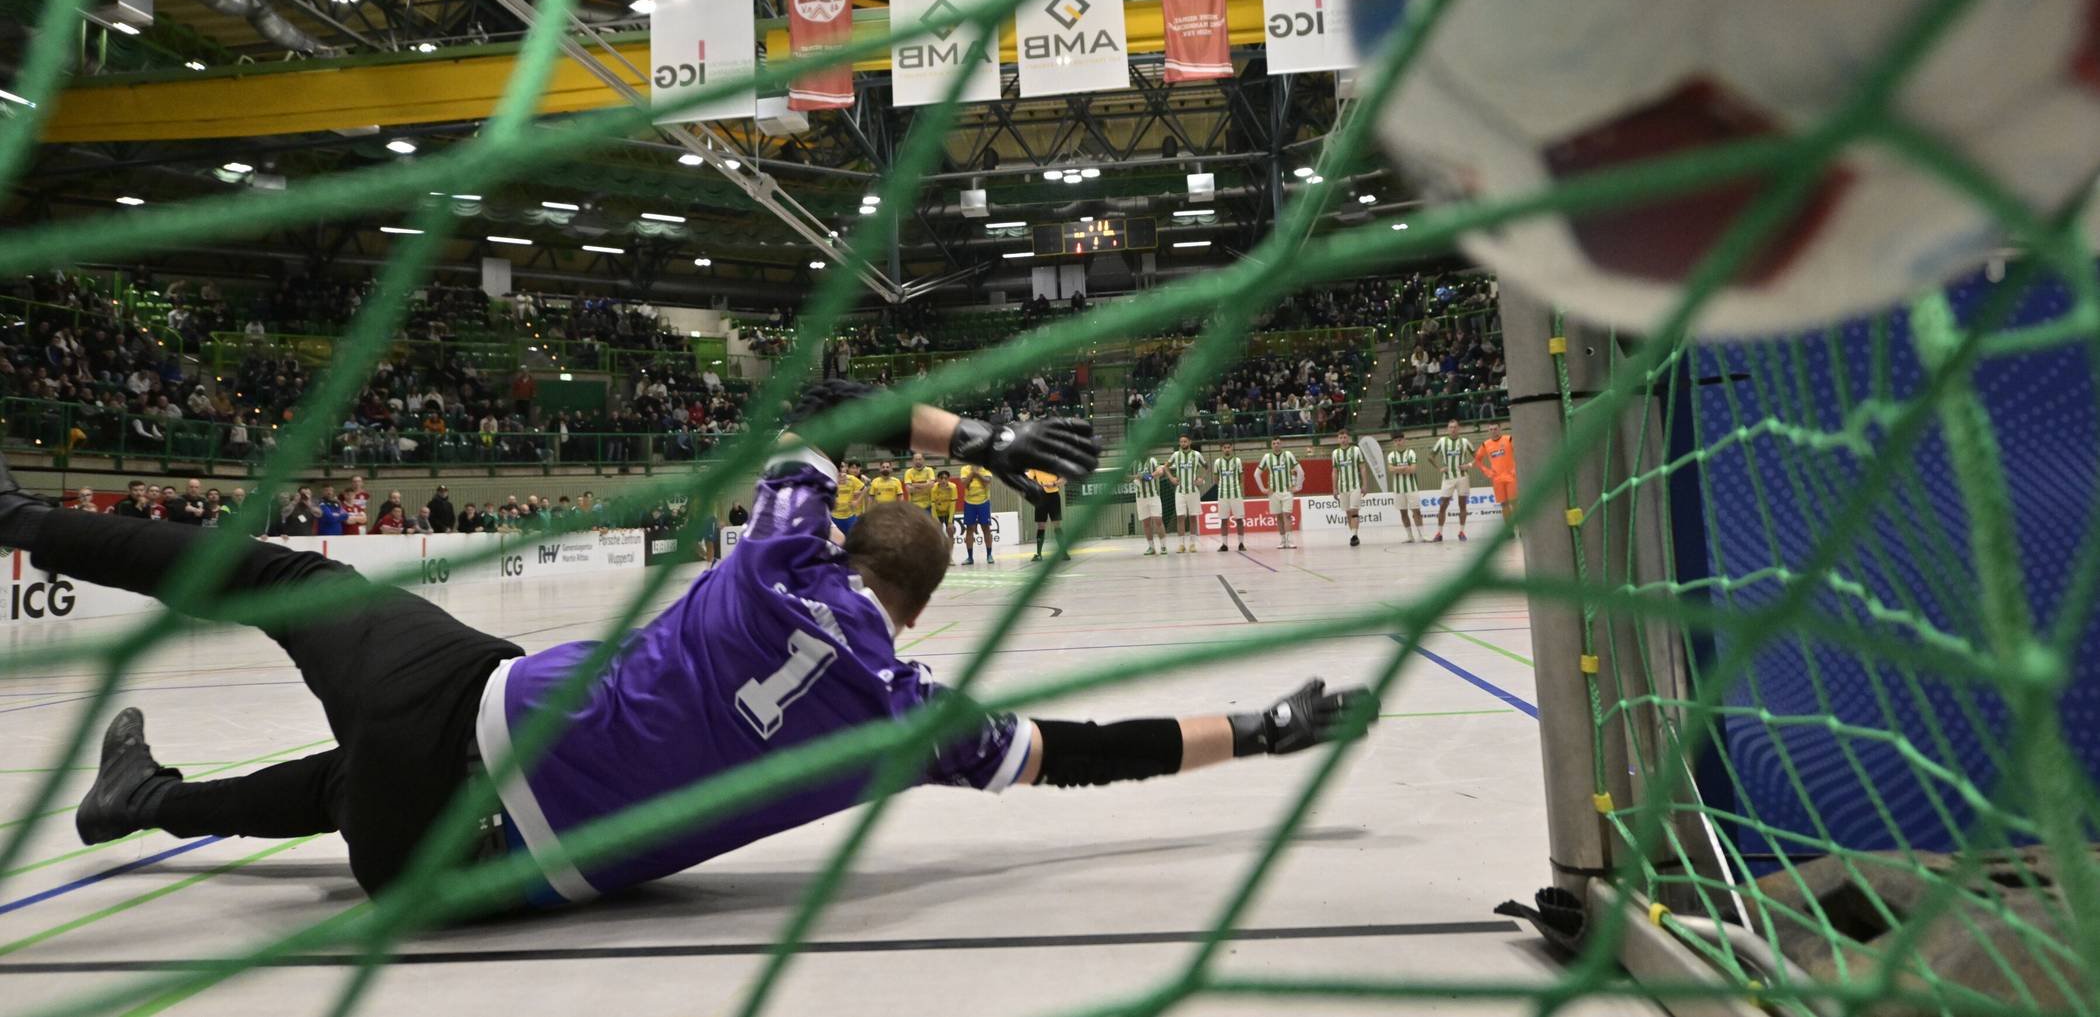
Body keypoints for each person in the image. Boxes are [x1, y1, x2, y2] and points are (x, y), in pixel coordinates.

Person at [0, 394, 1372, 906]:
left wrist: (987, 440)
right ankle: (154, 802)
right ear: (924, 606)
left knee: (280, 575)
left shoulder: (780, 549)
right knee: (348, 788)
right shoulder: (916, 715)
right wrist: (1254, 730)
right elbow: (1084, 755)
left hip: (465, 723)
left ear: (846, 542)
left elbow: (843, 402)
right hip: (464, 874)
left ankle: (19, 518)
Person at [1431, 419, 1476, 543]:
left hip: (1463, 477)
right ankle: (1439, 533)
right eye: (1450, 427)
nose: (1453, 429)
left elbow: (1478, 456)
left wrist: (1469, 465)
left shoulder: (1465, 442)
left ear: (1459, 428)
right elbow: (1430, 456)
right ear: (1447, 429)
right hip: (1448, 478)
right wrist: (1439, 468)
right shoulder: (1442, 441)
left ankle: (1461, 532)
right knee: (1443, 506)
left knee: (1463, 505)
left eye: (1455, 427)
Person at [1254, 437, 1301, 551]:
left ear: (1281, 444)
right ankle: (1282, 540)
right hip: (1273, 493)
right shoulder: (1267, 457)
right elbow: (1256, 474)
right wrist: (1263, 489)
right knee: (1279, 516)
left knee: (1287, 515)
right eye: (1274, 443)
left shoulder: (1288, 455)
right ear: (1271, 445)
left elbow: (1300, 471)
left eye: (1278, 443)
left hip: (1287, 492)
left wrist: (1298, 487)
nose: (1276, 445)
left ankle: (1290, 541)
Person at [1163, 435, 1205, 555]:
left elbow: (1206, 467)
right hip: (1180, 491)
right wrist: (1171, 478)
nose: (1183, 443)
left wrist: (1201, 478)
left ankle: (1192, 544)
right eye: (1181, 441)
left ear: (1190, 442)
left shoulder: (1196, 455)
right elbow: (1165, 466)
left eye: (1185, 441)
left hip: (1193, 491)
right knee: (1180, 517)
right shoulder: (1176, 455)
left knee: (1192, 518)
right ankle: (1181, 544)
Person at [1474, 423, 1518, 525]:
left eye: (1495, 429)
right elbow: (1477, 460)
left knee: (1514, 503)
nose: (1493, 431)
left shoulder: (1508, 439)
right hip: (1497, 479)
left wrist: (1515, 468)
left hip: (1511, 477)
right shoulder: (1486, 444)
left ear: (1500, 429)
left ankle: (1521, 527)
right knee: (1504, 505)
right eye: (1491, 429)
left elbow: (1520, 452)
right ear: (1489, 431)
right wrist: (1487, 472)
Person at [1330, 430, 1367, 549]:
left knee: (1354, 510)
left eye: (1345, 437)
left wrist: (1365, 485)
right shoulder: (1335, 453)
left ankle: (1354, 535)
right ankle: (1353, 535)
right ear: (1338, 439)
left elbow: (1362, 468)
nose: (1343, 439)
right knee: (1348, 512)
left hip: (1355, 486)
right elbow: (1335, 472)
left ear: (1348, 438)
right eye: (1340, 437)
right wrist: (1334, 488)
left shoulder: (1355, 450)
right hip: (1342, 487)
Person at [1211, 441, 1248, 553]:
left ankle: (1241, 544)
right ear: (1221, 449)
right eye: (1224, 447)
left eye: (1228, 447)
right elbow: (1216, 479)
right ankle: (1224, 544)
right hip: (1223, 495)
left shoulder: (1237, 461)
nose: (1227, 449)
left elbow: (1241, 478)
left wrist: (1237, 488)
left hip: (1236, 494)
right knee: (1223, 520)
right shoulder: (1217, 462)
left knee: (1240, 520)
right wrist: (1223, 487)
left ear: (1231, 448)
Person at [957, 463, 994, 565]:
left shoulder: (986, 467)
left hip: (984, 501)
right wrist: (972, 473)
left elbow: (987, 482)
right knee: (969, 529)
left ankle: (989, 555)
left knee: (986, 528)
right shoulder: (964, 469)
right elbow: (964, 484)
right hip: (969, 502)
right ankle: (969, 557)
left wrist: (976, 473)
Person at [1132, 452, 1168, 556]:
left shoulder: (1152, 460)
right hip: (1140, 498)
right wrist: (1135, 477)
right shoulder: (1134, 463)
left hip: (1153, 496)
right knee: (1146, 523)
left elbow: (1160, 471)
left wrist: (1149, 476)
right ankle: (1151, 547)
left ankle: (1163, 546)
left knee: (1158, 520)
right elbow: (1126, 476)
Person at [1388, 436, 1423, 543]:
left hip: (1411, 487)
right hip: (1398, 489)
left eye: (1400, 440)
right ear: (1394, 442)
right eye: (1396, 440)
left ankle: (1421, 535)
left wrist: (1397, 469)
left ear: (1404, 440)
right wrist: (1404, 468)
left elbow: (1412, 469)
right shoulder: (1391, 455)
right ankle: (1409, 536)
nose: (1398, 442)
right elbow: (1390, 469)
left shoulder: (1411, 453)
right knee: (1403, 513)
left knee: (1416, 511)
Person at [1028, 468, 1063, 561]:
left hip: (1054, 495)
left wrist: (1054, 484)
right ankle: (1039, 554)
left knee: (1057, 524)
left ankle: (1063, 552)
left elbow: (1063, 478)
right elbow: (1029, 479)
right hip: (1040, 496)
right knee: (1041, 525)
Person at [830, 459, 866, 537]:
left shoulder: (851, 479)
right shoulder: (831, 479)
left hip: (849, 516)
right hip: (834, 517)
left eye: (842, 466)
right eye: (838, 467)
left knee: (853, 539)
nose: (840, 469)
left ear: (846, 468)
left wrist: (857, 501)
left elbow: (864, 489)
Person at [902, 452, 937, 517]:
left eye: (920, 459)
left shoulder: (929, 470)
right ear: (912, 461)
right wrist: (926, 485)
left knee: (927, 526)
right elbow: (909, 490)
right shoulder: (908, 472)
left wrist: (914, 485)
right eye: (916, 459)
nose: (918, 461)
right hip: (913, 506)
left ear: (923, 460)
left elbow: (931, 485)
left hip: (928, 506)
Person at [930, 470, 959, 547]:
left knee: (951, 530)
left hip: (948, 512)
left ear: (948, 479)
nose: (943, 481)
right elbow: (932, 506)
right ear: (937, 479)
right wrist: (936, 520)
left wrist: (950, 522)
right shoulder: (933, 488)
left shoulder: (953, 487)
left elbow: (953, 505)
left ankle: (950, 553)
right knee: (936, 532)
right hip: (937, 512)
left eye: (946, 478)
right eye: (941, 478)